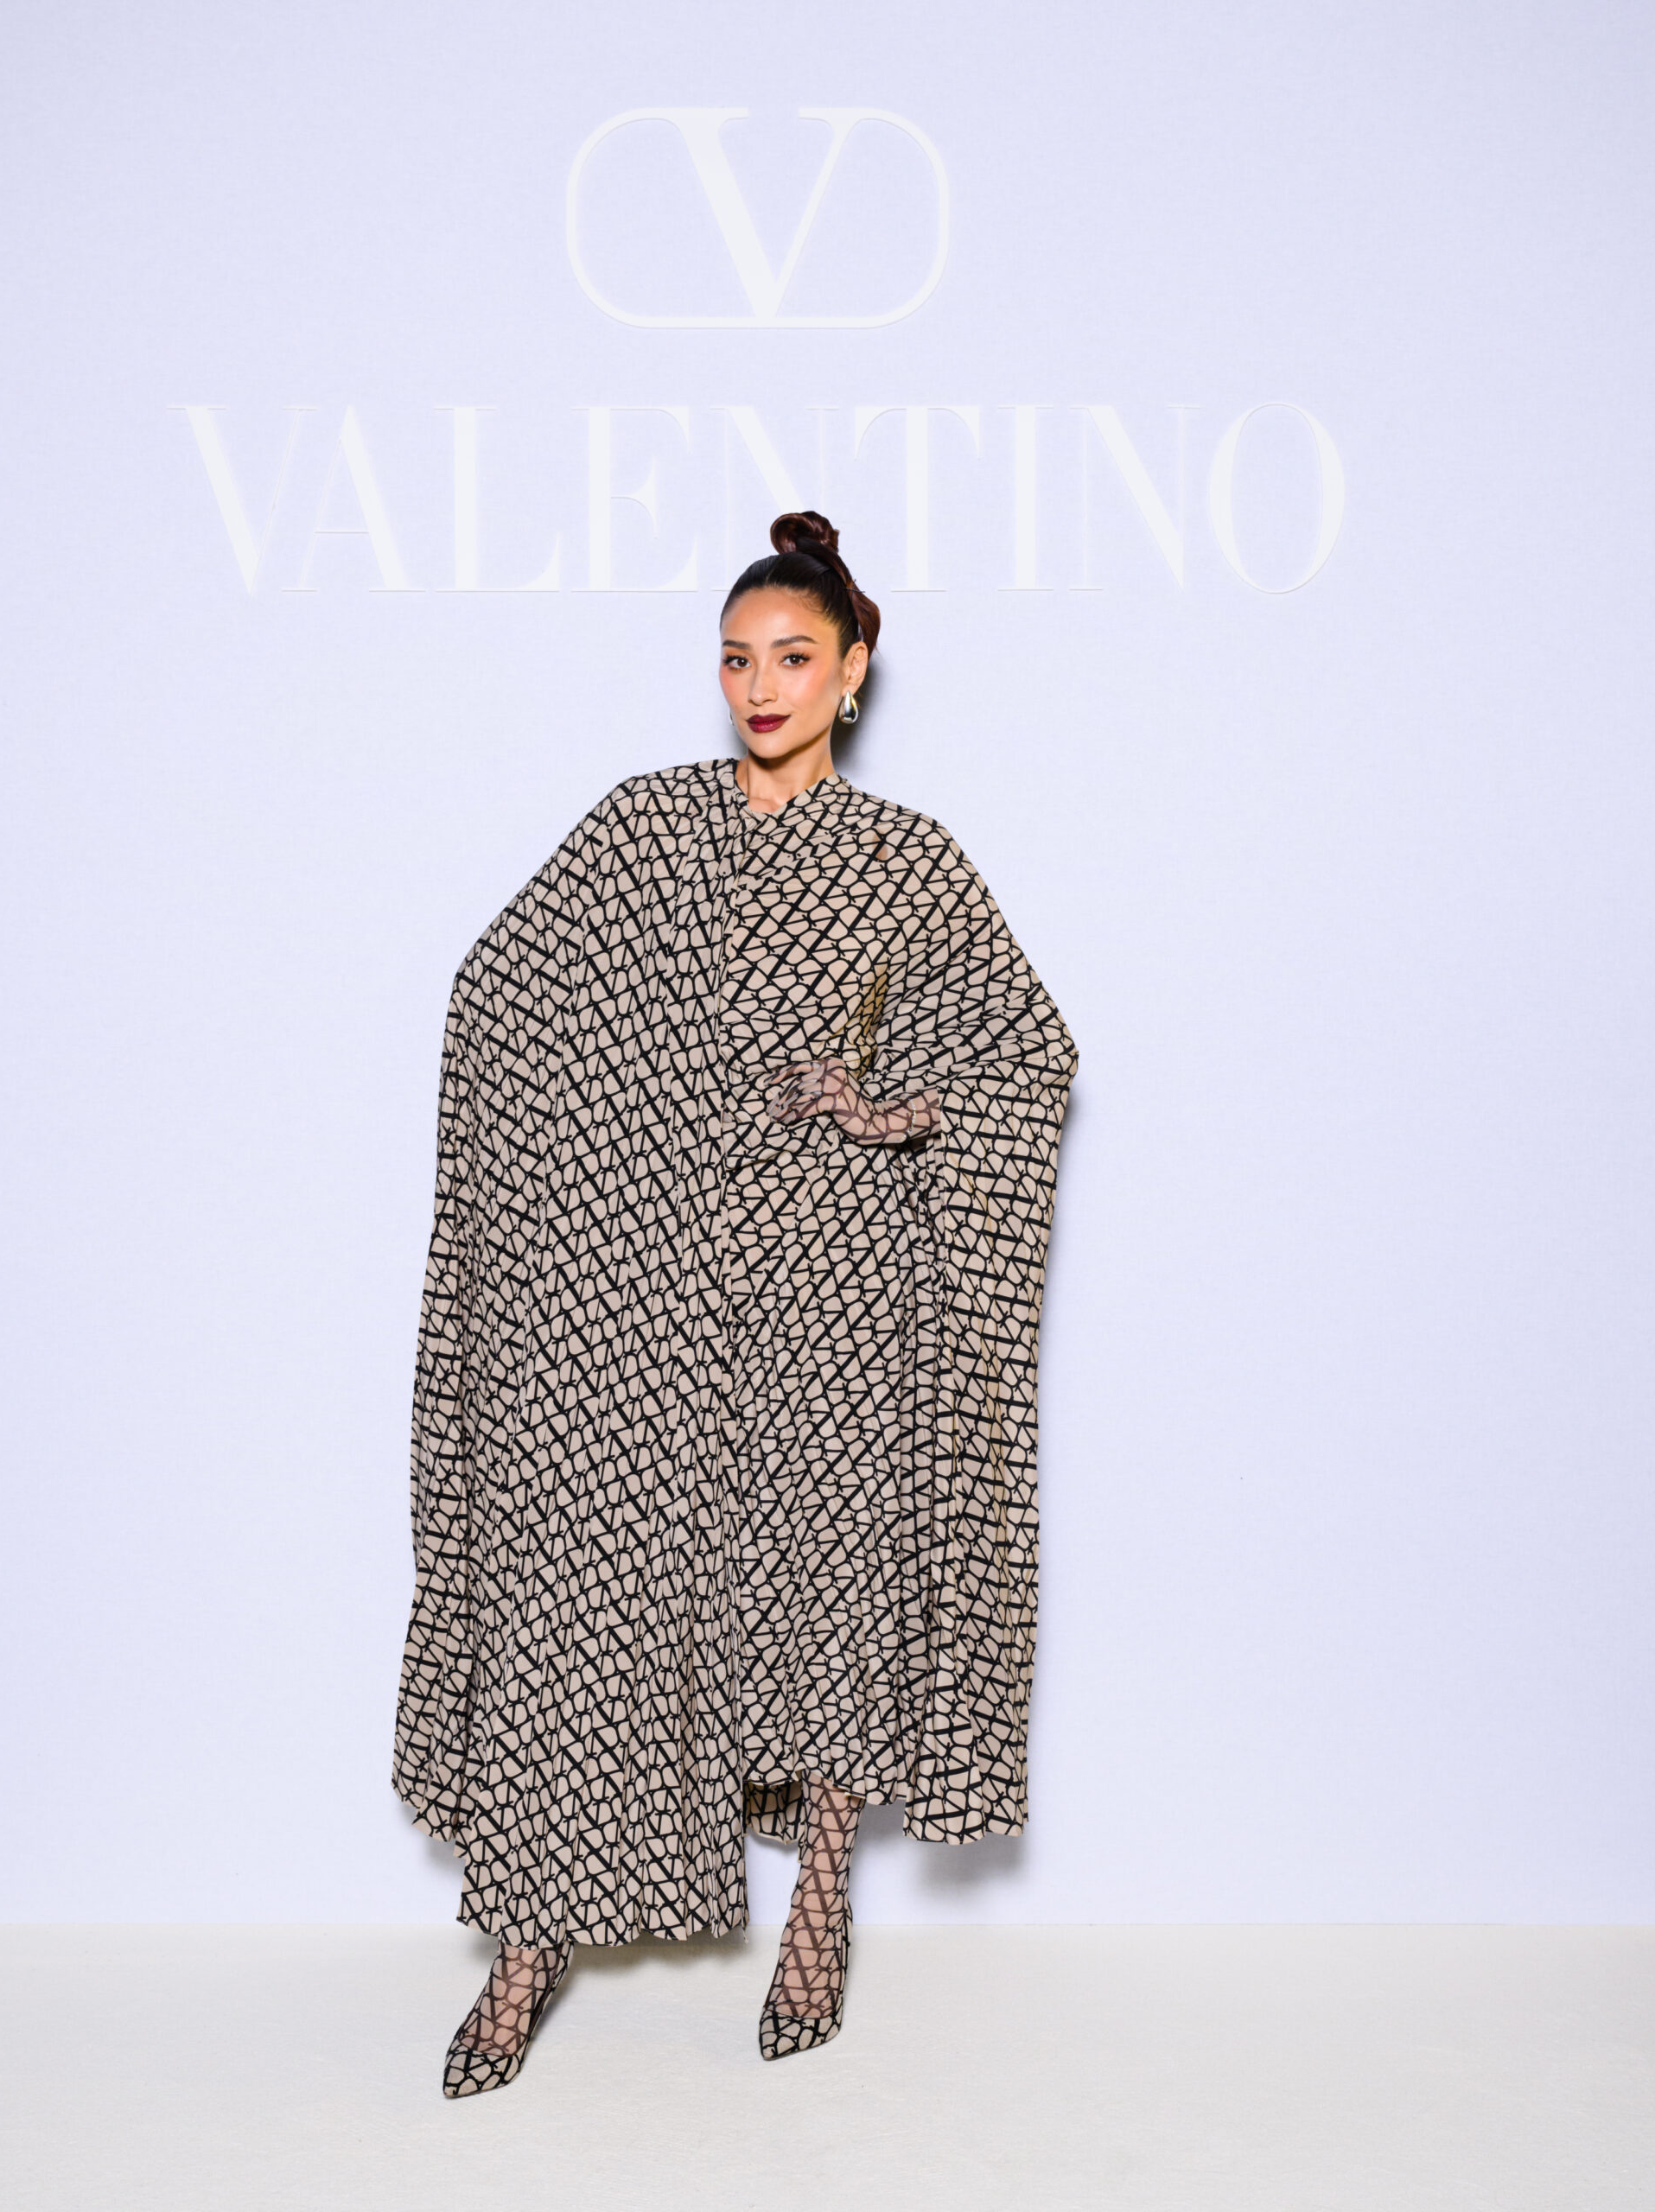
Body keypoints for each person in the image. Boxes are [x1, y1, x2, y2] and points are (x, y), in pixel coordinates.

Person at [394, 512, 1078, 2095]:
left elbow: (1022, 1057)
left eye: (791, 657)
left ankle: (822, 1902)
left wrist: (888, 1108)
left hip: (835, 1280)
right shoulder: (643, 830)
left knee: (823, 1583)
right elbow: (500, 995)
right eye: (734, 660)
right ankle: (531, 1946)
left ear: (853, 669)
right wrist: (628, 1135)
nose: (759, 687)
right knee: (595, 1589)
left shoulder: (909, 861)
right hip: (647, 1289)